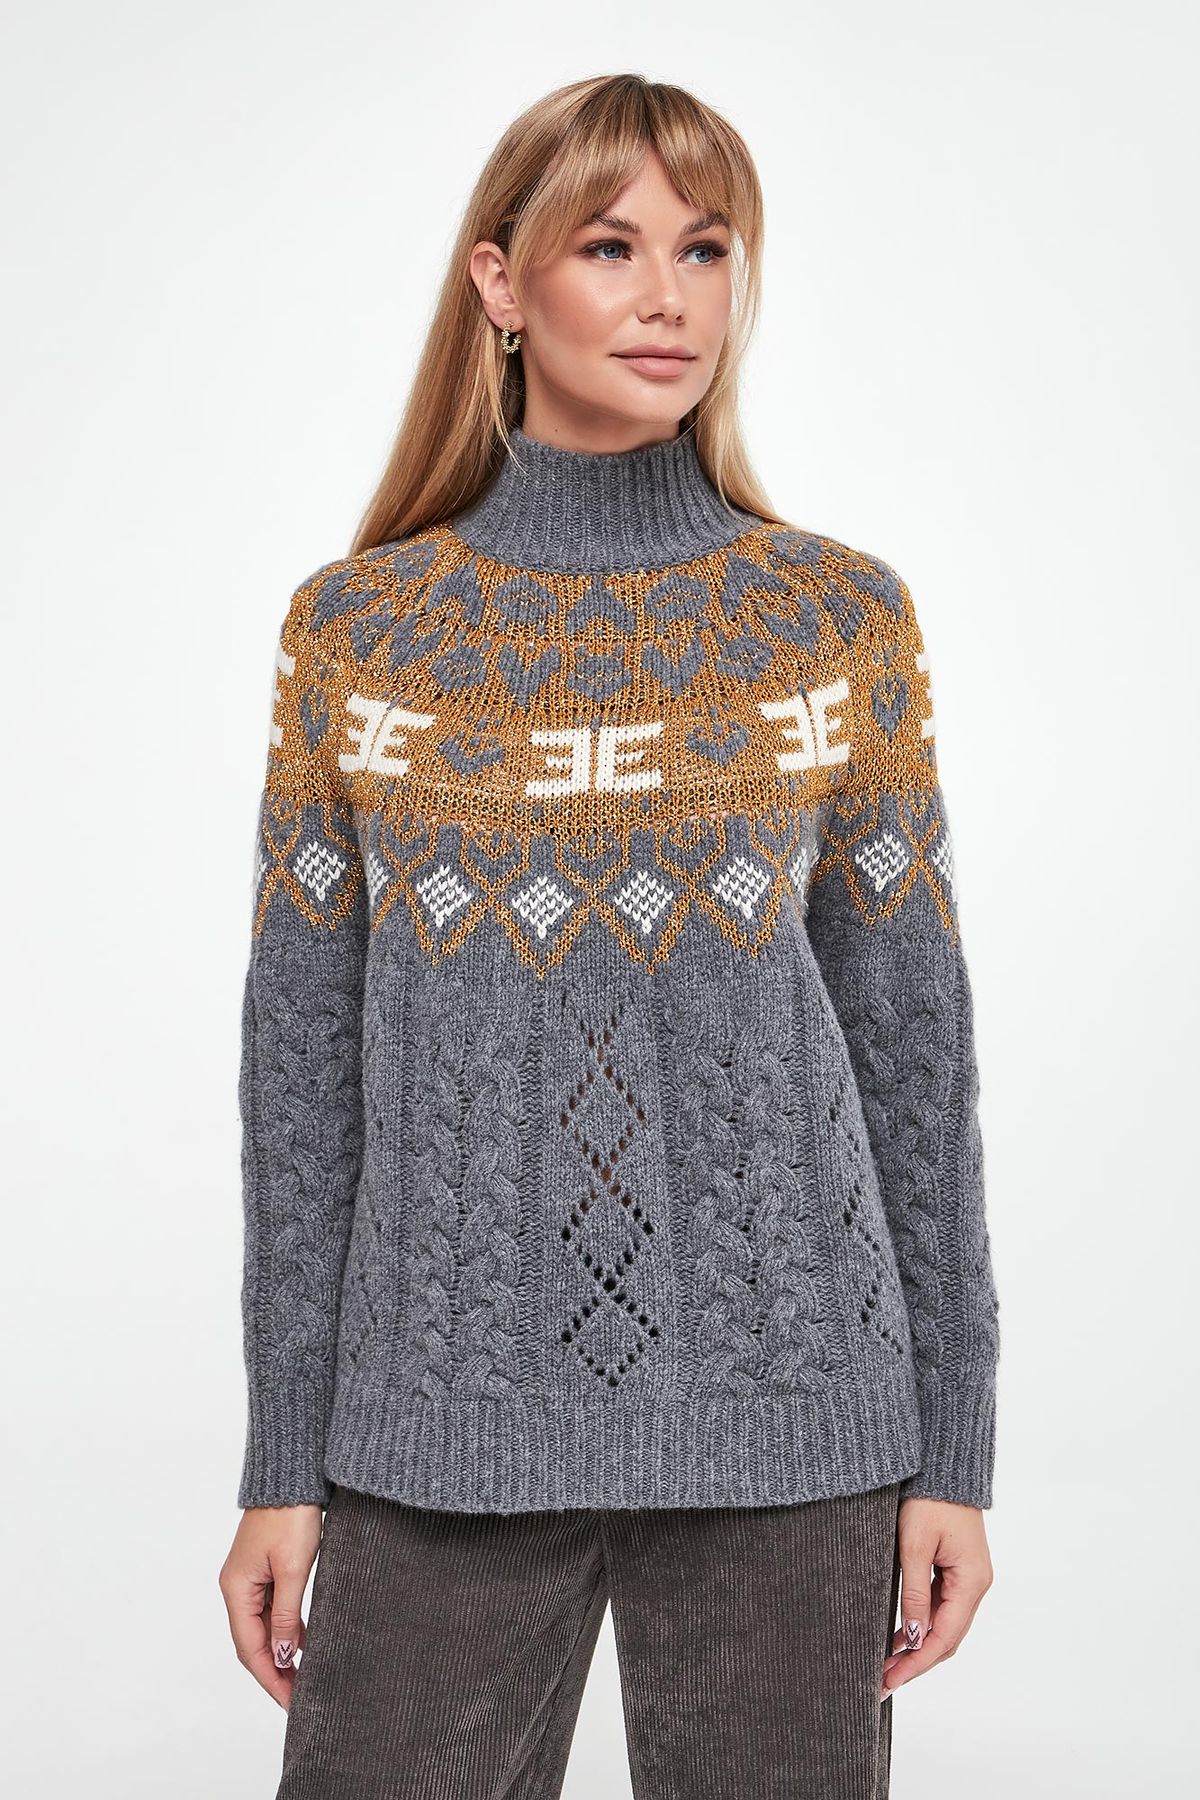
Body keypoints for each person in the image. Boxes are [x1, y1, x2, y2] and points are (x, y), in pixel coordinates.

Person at [218, 71, 1000, 1800]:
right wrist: (283, 1457)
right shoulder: (360, 640)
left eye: (706, 250)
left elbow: (912, 1053)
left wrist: (955, 1444)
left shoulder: (834, 624)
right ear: (501, 283)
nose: (670, 298)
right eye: (612, 247)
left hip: (799, 1422)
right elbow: (301, 1080)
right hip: (435, 1426)